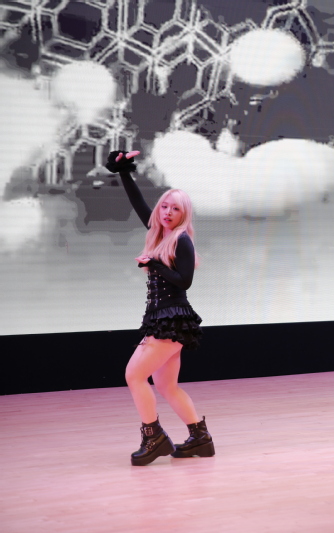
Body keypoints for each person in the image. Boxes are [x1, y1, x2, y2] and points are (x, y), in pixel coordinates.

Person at [106, 150, 214, 466]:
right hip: (163, 318)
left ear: (184, 214)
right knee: (166, 385)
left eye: (175, 208)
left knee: (134, 375)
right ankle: (200, 438)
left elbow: (184, 281)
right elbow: (139, 204)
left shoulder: (181, 240)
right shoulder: (159, 234)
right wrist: (124, 172)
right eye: (165, 206)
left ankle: (153, 437)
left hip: (172, 319)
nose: (167, 212)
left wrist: (153, 263)